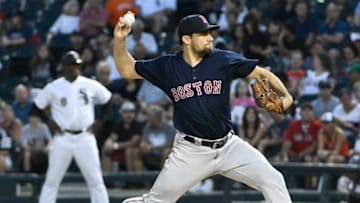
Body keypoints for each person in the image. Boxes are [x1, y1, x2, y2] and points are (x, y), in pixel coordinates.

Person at [114, 14, 293, 203]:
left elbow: (261, 73)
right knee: (155, 202)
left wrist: (287, 97)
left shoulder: (222, 59)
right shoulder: (168, 66)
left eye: (210, 33)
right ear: (186, 39)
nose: (211, 38)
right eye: (203, 34)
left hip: (229, 146)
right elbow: (127, 69)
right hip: (191, 151)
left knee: (273, 180)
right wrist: (120, 40)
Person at [30, 50, 110, 203]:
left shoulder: (89, 84)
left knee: (96, 181)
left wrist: (99, 120)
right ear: (64, 67)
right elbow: (36, 107)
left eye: (76, 65)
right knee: (52, 181)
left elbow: (108, 100)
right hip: (63, 138)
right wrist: (49, 122)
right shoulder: (54, 87)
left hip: (85, 136)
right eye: (70, 65)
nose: (74, 68)